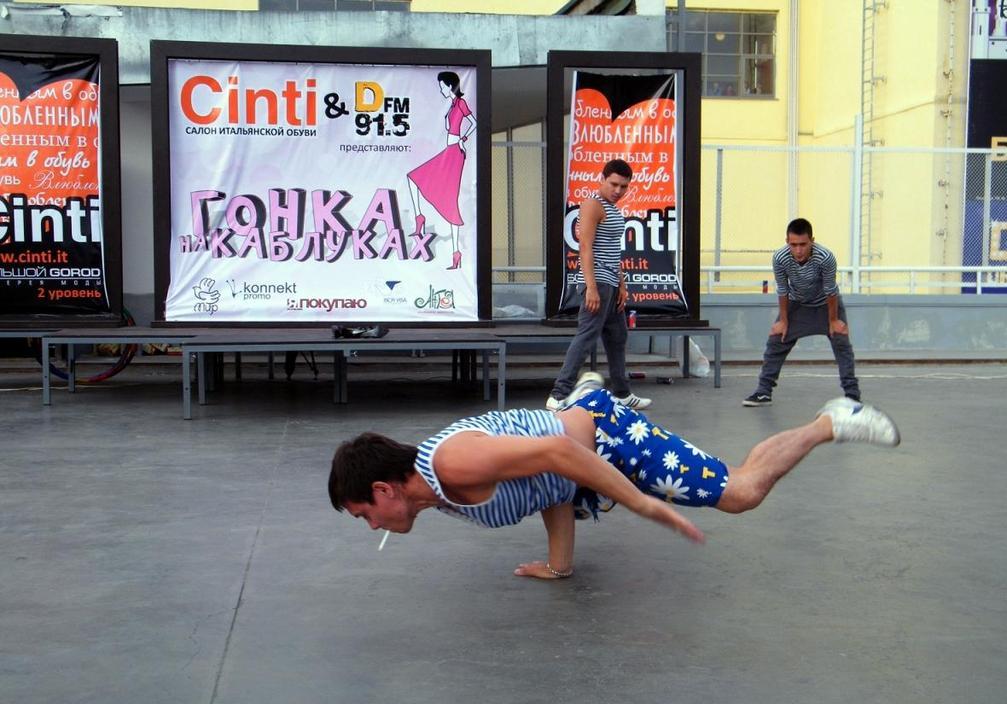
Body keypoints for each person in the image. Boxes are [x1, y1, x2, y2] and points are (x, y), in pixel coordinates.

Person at [328, 373, 900, 580]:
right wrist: (560, 566)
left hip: (607, 438)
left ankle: (830, 421)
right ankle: (580, 397)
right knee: (562, 445)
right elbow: (547, 488)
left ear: (382, 490)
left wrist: (642, 504)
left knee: (740, 493)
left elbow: (559, 454)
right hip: (578, 454)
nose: (370, 525)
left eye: (363, 515)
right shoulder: (436, 495)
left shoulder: (450, 466)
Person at [547, 158, 649, 412]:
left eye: (624, 186)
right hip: (598, 281)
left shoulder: (613, 209)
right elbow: (585, 247)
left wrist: (622, 284)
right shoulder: (593, 205)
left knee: (618, 336)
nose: (618, 190)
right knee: (587, 336)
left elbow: (613, 250)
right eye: (614, 184)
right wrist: (591, 287)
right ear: (602, 179)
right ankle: (558, 395)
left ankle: (622, 394)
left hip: (611, 282)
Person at [743, 218, 860, 407]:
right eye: (793, 245)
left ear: (812, 241)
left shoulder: (825, 257)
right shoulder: (780, 258)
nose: (798, 250)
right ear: (787, 242)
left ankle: (852, 396)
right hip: (797, 304)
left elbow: (830, 290)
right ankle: (763, 392)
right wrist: (783, 320)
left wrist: (833, 321)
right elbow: (783, 289)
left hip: (826, 304)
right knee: (777, 339)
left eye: (803, 245)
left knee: (841, 342)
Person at [407, 71, 477, 270]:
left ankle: (456, 254)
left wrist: (463, 139)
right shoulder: (452, 105)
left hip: (455, 152)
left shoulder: (461, 103)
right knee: (413, 177)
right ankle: (419, 218)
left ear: (450, 86)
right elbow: (449, 127)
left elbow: (474, 123)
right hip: (449, 150)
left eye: (442, 86)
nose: (440, 90)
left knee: (451, 201)